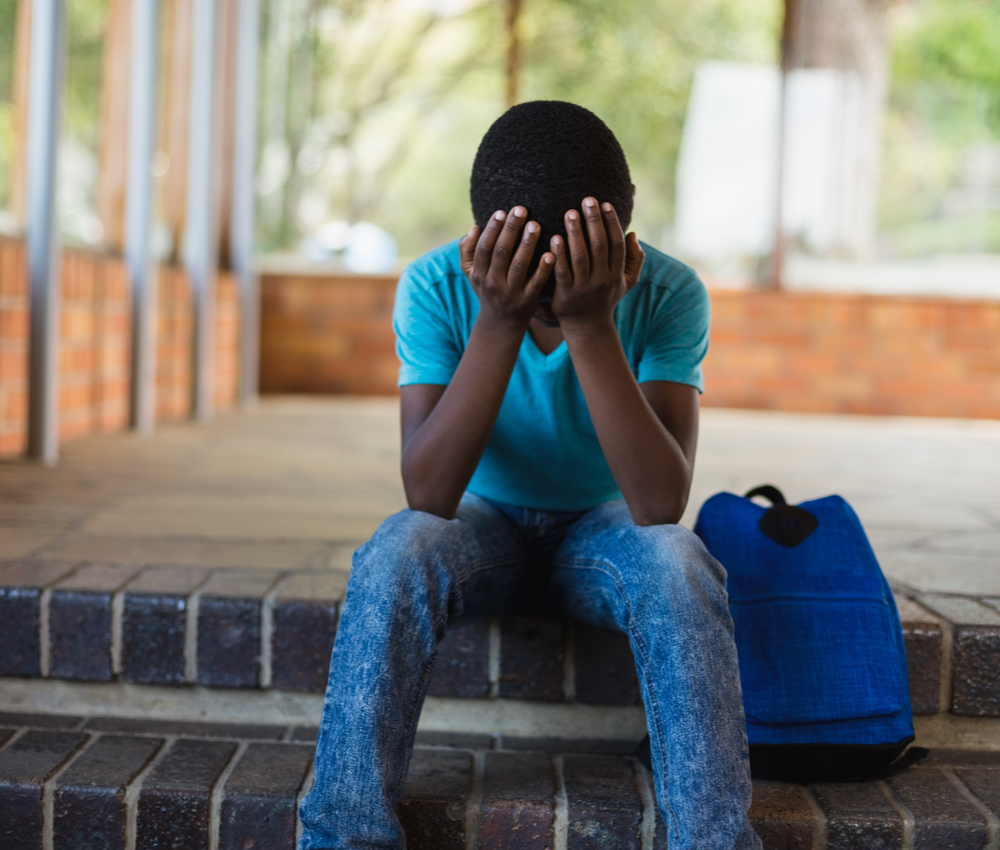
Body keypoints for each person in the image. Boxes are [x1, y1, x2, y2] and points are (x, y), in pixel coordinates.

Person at [298, 100, 762, 850]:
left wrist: (590, 323)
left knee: (680, 562)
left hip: (604, 532)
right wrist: (499, 318)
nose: (551, 293)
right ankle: (344, 838)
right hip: (483, 525)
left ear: (621, 239)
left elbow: (658, 503)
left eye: (573, 270)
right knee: (395, 550)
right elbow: (430, 493)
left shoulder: (669, 292)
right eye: (529, 270)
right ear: (483, 240)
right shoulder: (435, 286)